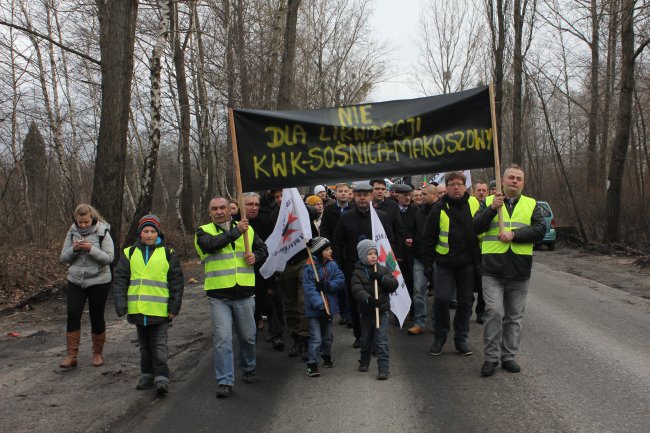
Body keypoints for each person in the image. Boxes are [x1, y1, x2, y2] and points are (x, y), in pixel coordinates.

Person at [474, 165, 545, 377]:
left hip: (519, 271)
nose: (514, 181)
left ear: (523, 183)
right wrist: (491, 209)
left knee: (514, 317)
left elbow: (541, 231)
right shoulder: (488, 202)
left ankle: (508, 356)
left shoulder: (532, 205)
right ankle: (490, 358)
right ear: (503, 181)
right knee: (494, 312)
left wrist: (514, 234)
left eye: (519, 179)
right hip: (493, 270)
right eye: (511, 178)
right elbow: (476, 227)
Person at [195, 196, 268, 398]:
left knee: (248, 336)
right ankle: (224, 381)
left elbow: (263, 249)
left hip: (244, 292)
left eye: (222, 208)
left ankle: (248, 367)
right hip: (219, 295)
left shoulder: (248, 230)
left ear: (230, 209)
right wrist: (237, 231)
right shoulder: (203, 231)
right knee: (223, 339)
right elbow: (212, 245)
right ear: (209, 212)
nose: (219, 212)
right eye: (214, 209)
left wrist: (256, 256)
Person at [113, 214, 184, 396]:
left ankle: (162, 377)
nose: (150, 235)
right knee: (144, 346)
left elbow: (176, 283)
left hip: (160, 312)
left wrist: (174, 308)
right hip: (138, 310)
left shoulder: (168, 254)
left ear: (158, 233)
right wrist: (121, 303)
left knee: (159, 346)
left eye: (153, 231)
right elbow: (121, 279)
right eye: (146, 231)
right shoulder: (129, 253)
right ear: (140, 233)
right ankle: (146, 374)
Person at [422, 171, 481, 357]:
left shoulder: (474, 205)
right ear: (446, 187)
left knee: (465, 302)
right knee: (441, 300)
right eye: (452, 184)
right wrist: (428, 264)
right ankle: (440, 337)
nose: (456, 187)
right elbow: (428, 238)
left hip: (467, 264)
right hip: (445, 263)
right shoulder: (438, 208)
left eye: (459, 184)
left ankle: (461, 339)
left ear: (465, 186)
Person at [333, 182, 395, 348]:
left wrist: (389, 266)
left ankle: (376, 336)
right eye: (359, 194)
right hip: (353, 267)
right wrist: (338, 265)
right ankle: (359, 335)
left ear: (371, 196)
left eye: (365, 194)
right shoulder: (345, 217)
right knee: (355, 301)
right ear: (354, 195)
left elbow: (389, 241)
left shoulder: (380, 216)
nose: (362, 198)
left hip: (377, 267)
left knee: (376, 300)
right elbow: (338, 243)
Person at [59, 204, 115, 369]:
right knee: (73, 313)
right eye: (80, 222)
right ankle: (71, 355)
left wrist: (91, 249)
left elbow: (109, 258)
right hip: (76, 280)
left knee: (96, 315)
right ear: (76, 219)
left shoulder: (103, 232)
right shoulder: (72, 231)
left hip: (99, 280)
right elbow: (63, 257)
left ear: (92, 218)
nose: (83, 225)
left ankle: (97, 353)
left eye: (86, 222)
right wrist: (74, 249)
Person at [351, 239, 398, 380]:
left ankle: (383, 369)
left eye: (375, 253)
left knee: (381, 341)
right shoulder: (357, 273)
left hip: (381, 312)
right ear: (362, 255)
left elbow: (394, 284)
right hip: (366, 312)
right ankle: (364, 361)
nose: (373, 256)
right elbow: (357, 290)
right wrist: (369, 299)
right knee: (366, 340)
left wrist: (382, 278)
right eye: (369, 254)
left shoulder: (382, 269)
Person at [302, 237, 345, 377]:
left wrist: (327, 285)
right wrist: (320, 305)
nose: (330, 251)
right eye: (327, 250)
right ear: (319, 252)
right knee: (316, 338)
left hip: (329, 309)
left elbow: (340, 280)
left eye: (330, 248)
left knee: (327, 337)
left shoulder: (333, 265)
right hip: (315, 310)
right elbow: (309, 289)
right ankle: (312, 364)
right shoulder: (309, 267)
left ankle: (326, 355)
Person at [319, 183, 353, 326]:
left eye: (346, 191)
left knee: (351, 283)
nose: (343, 194)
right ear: (335, 193)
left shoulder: (354, 209)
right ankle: (344, 313)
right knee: (339, 283)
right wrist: (329, 249)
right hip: (335, 252)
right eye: (341, 191)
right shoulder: (329, 210)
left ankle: (351, 313)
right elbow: (325, 231)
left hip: (351, 251)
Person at [407, 183, 439, 335]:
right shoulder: (418, 213)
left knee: (439, 293)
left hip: (438, 258)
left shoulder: (442, 211)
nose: (421, 197)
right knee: (418, 290)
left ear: (434, 195)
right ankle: (419, 322)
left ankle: (437, 322)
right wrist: (410, 239)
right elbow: (413, 231)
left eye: (424, 194)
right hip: (420, 257)